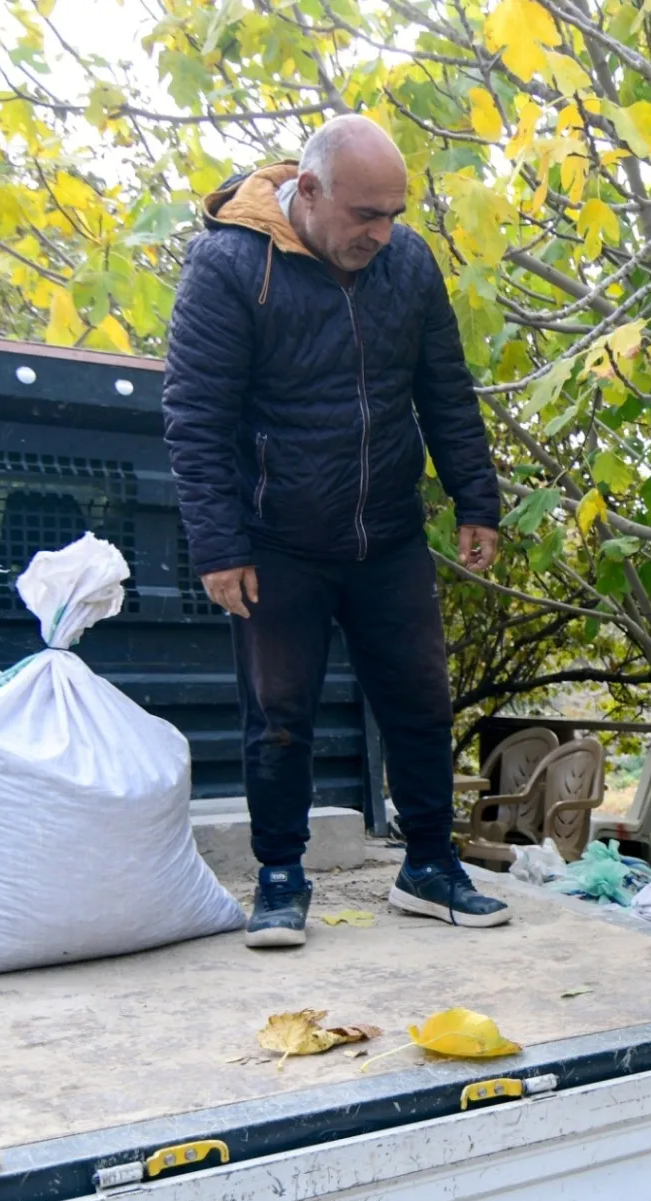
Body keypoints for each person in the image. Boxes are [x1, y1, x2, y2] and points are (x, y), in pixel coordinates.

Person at [162, 115, 510, 947]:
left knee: (421, 703)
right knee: (278, 714)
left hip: (387, 532)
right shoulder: (230, 266)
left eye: (394, 214)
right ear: (309, 193)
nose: (383, 234)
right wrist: (218, 546)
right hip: (277, 537)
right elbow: (195, 415)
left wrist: (475, 499)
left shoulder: (409, 263)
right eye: (367, 216)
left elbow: (445, 388)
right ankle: (280, 878)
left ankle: (429, 865)